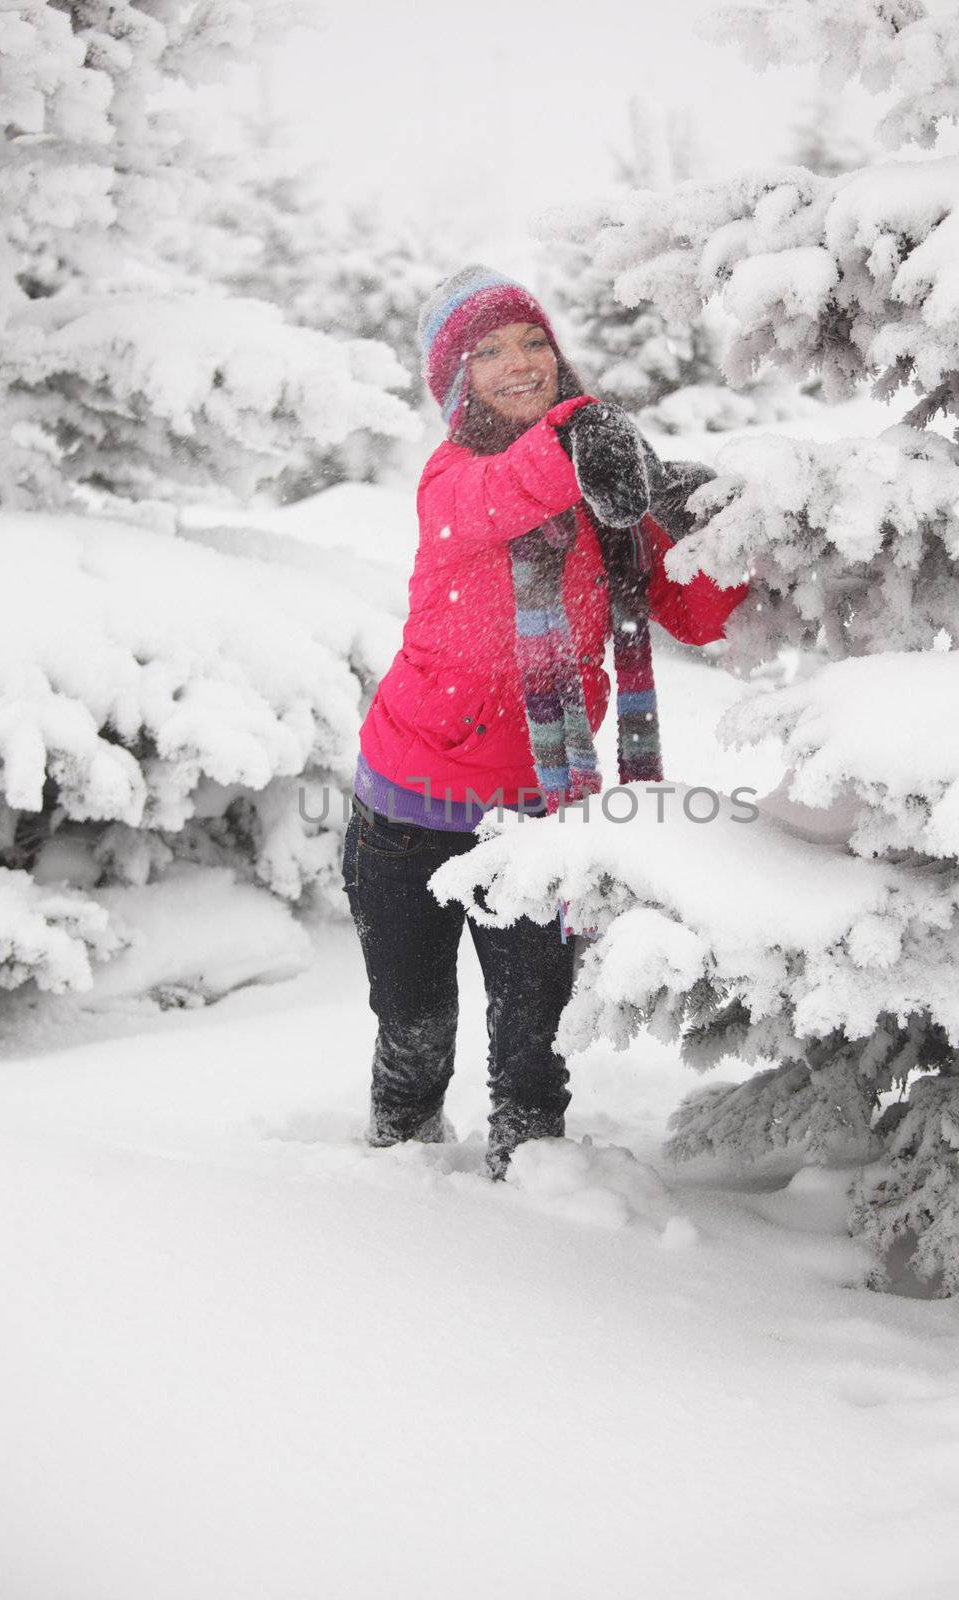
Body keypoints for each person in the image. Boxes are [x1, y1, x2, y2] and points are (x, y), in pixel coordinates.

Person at [342, 264, 749, 1180]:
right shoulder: (455, 476)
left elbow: (699, 614)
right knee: (412, 1024)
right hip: (405, 809)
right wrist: (582, 432)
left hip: (537, 816)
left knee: (532, 1044)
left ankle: (534, 1199)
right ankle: (388, 1184)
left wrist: (700, 518)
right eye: (486, 352)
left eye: (531, 341)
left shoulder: (602, 471)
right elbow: (504, 496)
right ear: (454, 383)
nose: (519, 363)